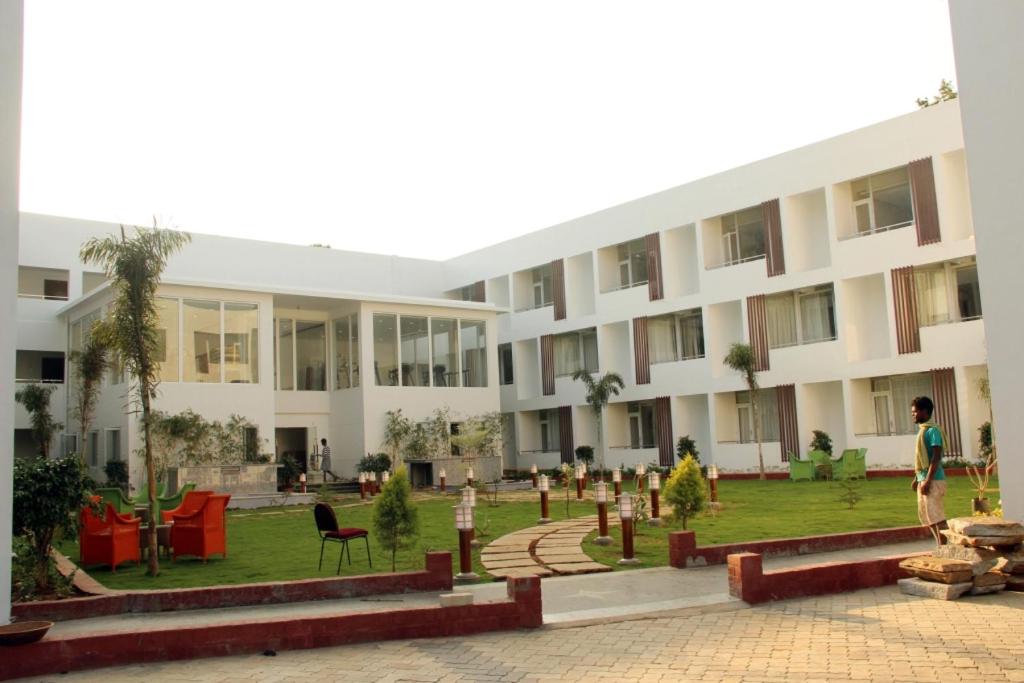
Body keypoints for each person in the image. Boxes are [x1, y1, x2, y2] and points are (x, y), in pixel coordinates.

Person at [910, 396, 948, 547]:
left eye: (915, 412)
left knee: (936, 515)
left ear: (924, 412)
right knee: (926, 516)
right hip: (923, 479)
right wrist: (917, 479)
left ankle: (943, 546)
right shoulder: (922, 431)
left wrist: (928, 480)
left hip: (934, 480)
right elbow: (922, 459)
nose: (913, 414)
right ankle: (940, 544)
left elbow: (936, 457)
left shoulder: (933, 431)